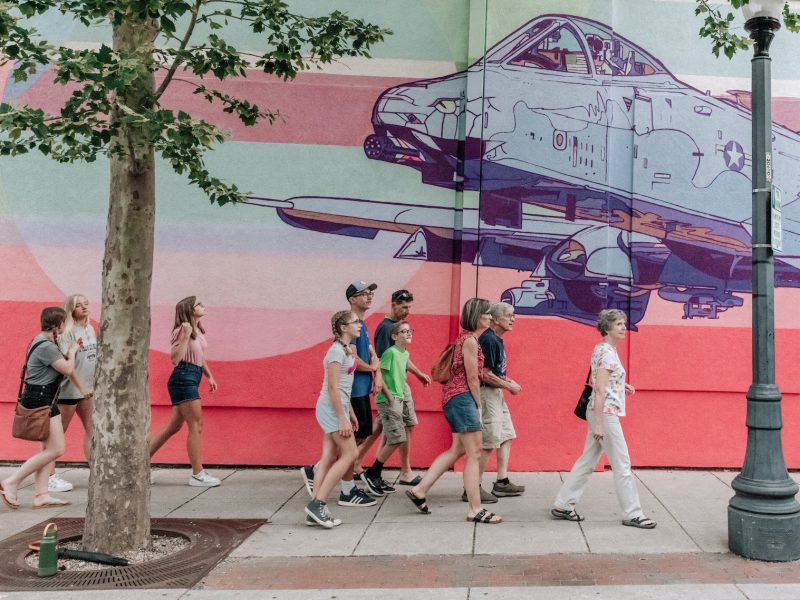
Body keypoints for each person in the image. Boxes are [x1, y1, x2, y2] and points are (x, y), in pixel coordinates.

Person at [551, 309, 656, 529]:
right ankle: (633, 513)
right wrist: (599, 423)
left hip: (599, 410)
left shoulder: (602, 349)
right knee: (622, 464)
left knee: (587, 461)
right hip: (604, 413)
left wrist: (621, 385)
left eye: (623, 323)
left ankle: (563, 504)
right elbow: (599, 389)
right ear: (607, 328)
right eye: (618, 324)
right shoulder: (608, 352)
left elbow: (602, 380)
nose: (623, 327)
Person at [405, 298, 502, 524]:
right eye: (487, 313)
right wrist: (478, 407)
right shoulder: (469, 341)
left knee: (457, 449)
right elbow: (472, 377)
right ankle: (475, 509)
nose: (490, 316)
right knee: (475, 454)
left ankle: (420, 490)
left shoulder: (465, 339)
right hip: (463, 399)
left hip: (454, 399)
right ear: (477, 316)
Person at [1, 307, 78, 510]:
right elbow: (68, 369)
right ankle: (12, 481)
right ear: (59, 324)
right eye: (64, 323)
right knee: (56, 448)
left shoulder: (42, 341)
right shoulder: (46, 346)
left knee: (47, 448)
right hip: (40, 398)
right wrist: (73, 352)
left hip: (44, 397)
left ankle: (41, 494)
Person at [306, 311, 376, 528]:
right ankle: (318, 504)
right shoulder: (336, 352)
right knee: (350, 454)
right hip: (330, 409)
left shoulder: (346, 349)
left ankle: (314, 510)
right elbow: (333, 387)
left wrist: (350, 414)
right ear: (343, 328)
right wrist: (341, 418)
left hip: (339, 408)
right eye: (355, 322)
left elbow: (344, 387)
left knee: (328, 457)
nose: (359, 325)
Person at [148, 296, 221, 487]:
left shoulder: (197, 330)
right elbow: (175, 358)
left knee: (173, 427)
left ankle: (136, 466)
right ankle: (198, 475)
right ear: (188, 309)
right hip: (183, 377)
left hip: (192, 375)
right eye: (198, 304)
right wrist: (185, 336)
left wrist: (209, 376)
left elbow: (200, 356)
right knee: (196, 425)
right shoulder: (183, 329)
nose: (203, 305)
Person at [362, 320, 430, 492]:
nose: (408, 333)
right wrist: (390, 396)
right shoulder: (390, 353)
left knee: (406, 428)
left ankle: (374, 473)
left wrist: (420, 374)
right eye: (403, 331)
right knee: (398, 438)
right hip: (388, 401)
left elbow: (406, 363)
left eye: (410, 330)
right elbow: (380, 374)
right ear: (394, 336)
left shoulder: (403, 353)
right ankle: (373, 473)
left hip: (399, 398)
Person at [471, 301, 524, 503]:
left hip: (496, 393)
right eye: (509, 315)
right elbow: (484, 374)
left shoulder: (496, 340)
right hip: (488, 394)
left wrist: (507, 381)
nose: (513, 319)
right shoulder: (490, 340)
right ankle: (473, 487)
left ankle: (501, 482)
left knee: (506, 435)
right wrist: (508, 386)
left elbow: (494, 371)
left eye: (514, 315)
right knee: (490, 439)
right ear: (495, 318)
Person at [46, 294, 97, 493]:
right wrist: (80, 386)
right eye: (79, 305)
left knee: (93, 430)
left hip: (89, 389)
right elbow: (69, 364)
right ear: (71, 310)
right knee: (58, 435)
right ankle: (50, 476)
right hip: (69, 390)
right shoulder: (67, 331)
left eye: (86, 303)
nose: (84, 307)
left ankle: (96, 471)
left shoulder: (90, 328)